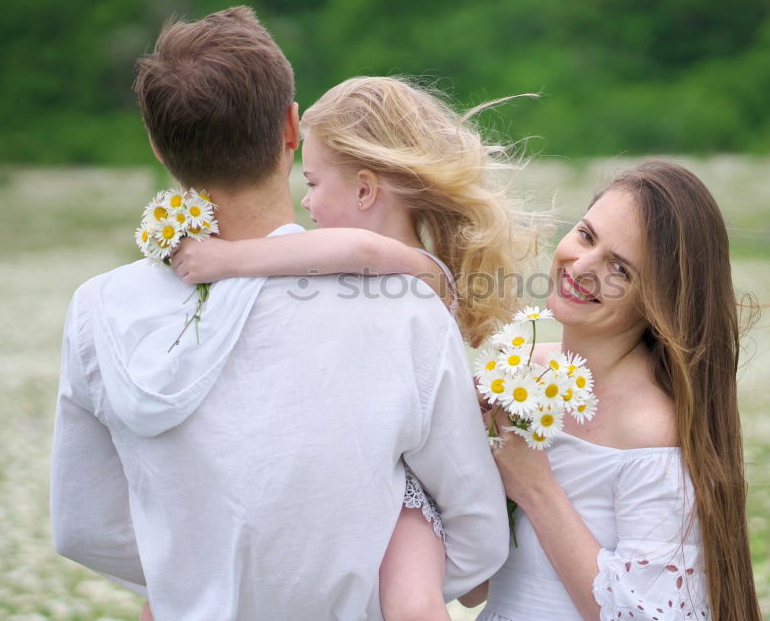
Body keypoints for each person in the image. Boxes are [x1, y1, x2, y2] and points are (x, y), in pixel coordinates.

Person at [50, 6, 508, 620]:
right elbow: (477, 532)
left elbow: (83, 529)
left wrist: (203, 578)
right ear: (291, 128)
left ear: (159, 147)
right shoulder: (401, 304)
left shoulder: (97, 311)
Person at [168, 75, 544, 620]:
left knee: (412, 604)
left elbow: (360, 249)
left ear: (367, 191)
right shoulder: (367, 272)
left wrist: (231, 259)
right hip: (370, 473)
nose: (305, 200)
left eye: (316, 183)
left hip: (411, 491)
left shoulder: (417, 270)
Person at [465, 160, 763, 620]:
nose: (581, 267)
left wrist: (537, 489)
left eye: (619, 269)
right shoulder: (525, 370)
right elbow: (471, 588)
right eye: (586, 235)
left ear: (660, 299)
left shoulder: (650, 428)